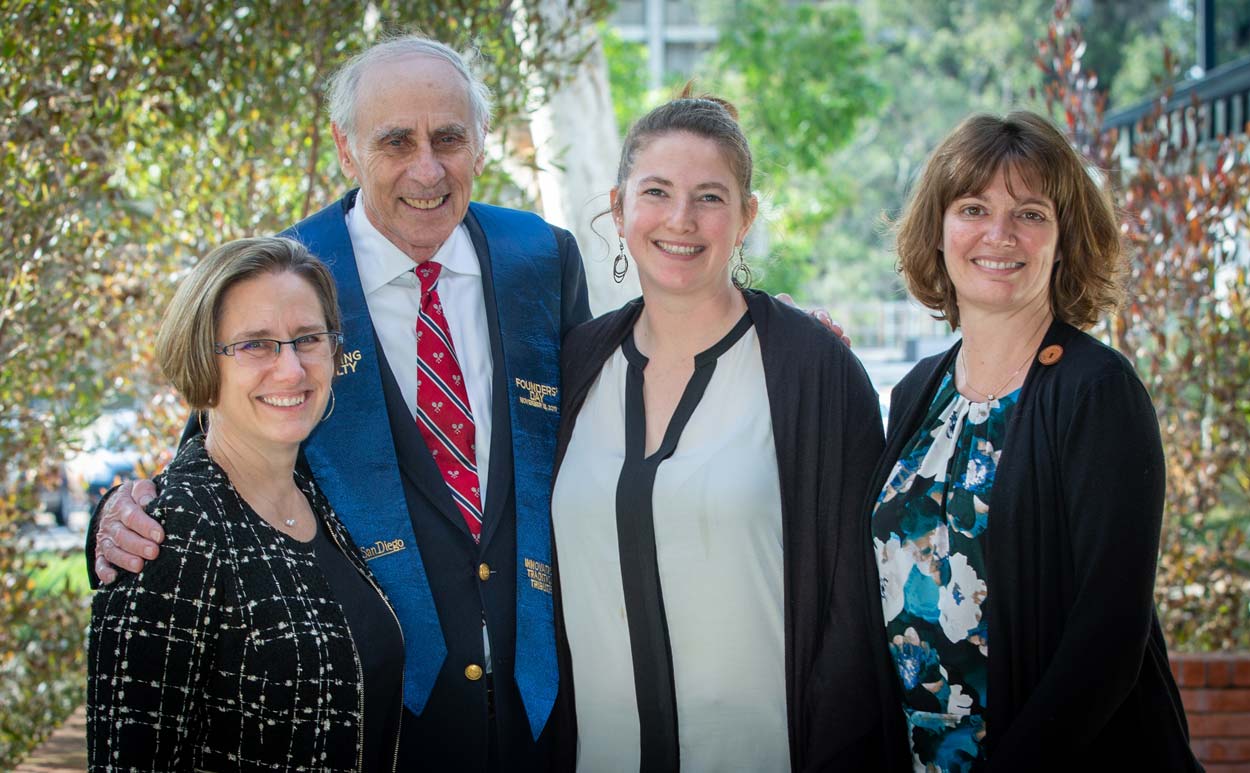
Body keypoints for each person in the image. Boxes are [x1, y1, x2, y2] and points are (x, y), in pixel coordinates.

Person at [87, 35, 591, 770]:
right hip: (379, 725)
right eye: (396, 141)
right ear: (346, 148)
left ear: (480, 143)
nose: (428, 169)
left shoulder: (542, 258)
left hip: (541, 718)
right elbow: (216, 464)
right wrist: (120, 517)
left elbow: (603, 423)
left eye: (449, 137)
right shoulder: (287, 276)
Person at [550, 91, 889, 772]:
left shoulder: (813, 371)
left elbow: (858, 612)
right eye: (657, 192)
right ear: (618, 209)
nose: (681, 219)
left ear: (745, 218)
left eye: (710, 196)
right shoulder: (576, 364)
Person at [852, 111, 1199, 772]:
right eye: (974, 207)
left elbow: (1108, 639)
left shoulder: (1097, 393)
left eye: (1031, 214)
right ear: (940, 230)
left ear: (1064, 240)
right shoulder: (919, 389)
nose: (999, 235)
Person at [87, 237, 404, 770]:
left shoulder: (317, 500)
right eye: (255, 344)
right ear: (203, 360)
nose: (292, 370)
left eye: (307, 338)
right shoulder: (167, 533)